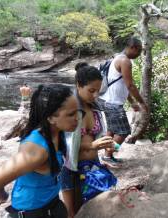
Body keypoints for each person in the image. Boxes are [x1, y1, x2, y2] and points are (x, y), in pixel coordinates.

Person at [0, 84, 79, 218]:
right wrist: (4, 196)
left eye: (77, 112)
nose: (77, 118)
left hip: (51, 204)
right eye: (71, 114)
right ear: (51, 118)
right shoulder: (36, 150)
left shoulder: (58, 132)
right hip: (32, 212)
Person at [60, 62, 117, 218]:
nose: (95, 95)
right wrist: (92, 145)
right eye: (91, 91)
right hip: (71, 170)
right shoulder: (68, 110)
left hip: (93, 167)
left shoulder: (96, 108)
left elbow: (95, 140)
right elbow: (64, 146)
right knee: (73, 213)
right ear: (79, 85)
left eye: (98, 91)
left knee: (93, 209)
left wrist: (106, 146)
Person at [99, 37, 149, 166]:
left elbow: (121, 84)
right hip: (113, 103)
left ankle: (106, 156)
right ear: (132, 47)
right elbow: (130, 85)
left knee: (111, 130)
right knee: (123, 132)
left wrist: (131, 102)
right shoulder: (125, 61)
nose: (139, 54)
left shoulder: (116, 58)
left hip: (106, 100)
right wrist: (142, 103)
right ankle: (108, 155)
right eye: (139, 51)